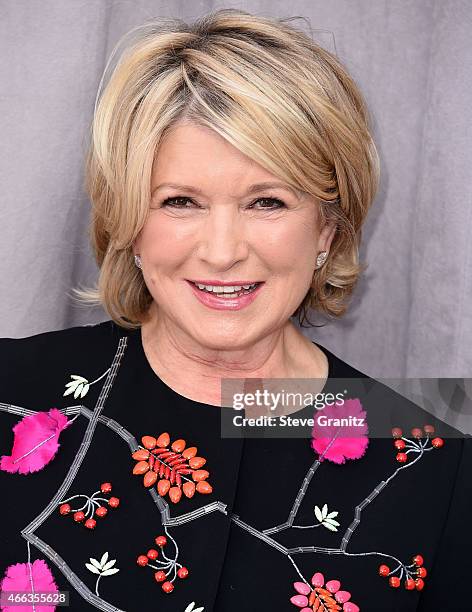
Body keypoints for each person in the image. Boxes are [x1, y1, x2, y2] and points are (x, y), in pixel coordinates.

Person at [0, 8, 470, 612]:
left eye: (267, 201)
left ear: (328, 227)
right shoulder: (12, 392)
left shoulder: (436, 453)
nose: (222, 253)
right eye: (180, 202)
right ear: (129, 222)